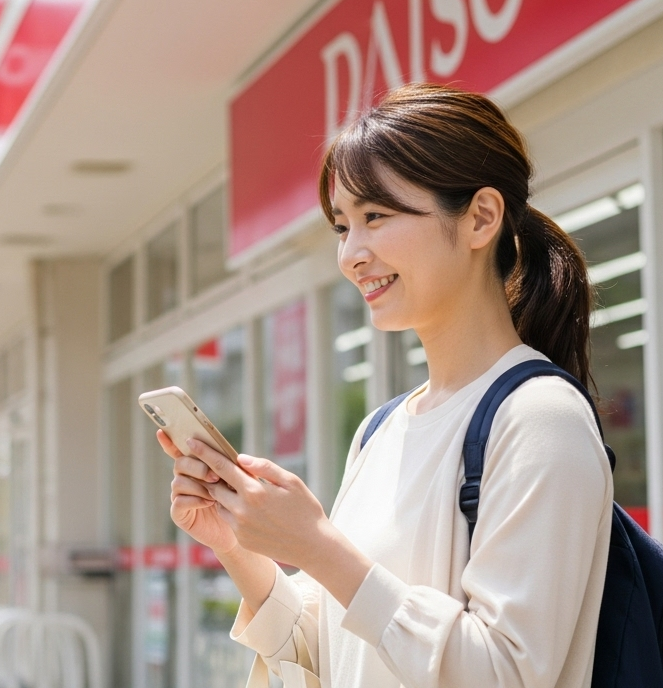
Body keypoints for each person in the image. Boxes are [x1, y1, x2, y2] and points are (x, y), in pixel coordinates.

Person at [160, 83, 612, 688]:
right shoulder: (380, 430)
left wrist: (318, 546)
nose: (351, 254)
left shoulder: (540, 417)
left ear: (481, 218)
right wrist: (236, 541)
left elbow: (506, 671)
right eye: (342, 226)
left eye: (375, 217)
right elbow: (334, 655)